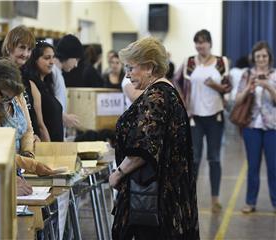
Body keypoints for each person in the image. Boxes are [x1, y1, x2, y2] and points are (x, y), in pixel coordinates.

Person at [109, 37, 199, 239]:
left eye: (131, 68)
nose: (127, 74)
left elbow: (144, 148)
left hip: (153, 196)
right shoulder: (165, 91)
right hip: (165, 193)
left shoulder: (155, 97)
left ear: (149, 67)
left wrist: (118, 173)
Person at [182, 29, 231, 212]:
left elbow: (227, 88)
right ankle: (189, 199)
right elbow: (178, 82)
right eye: (197, 42)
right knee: (194, 160)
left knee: (214, 159)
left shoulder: (221, 62)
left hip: (215, 116)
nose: (199, 46)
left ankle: (215, 200)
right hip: (195, 117)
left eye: (202, 42)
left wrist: (214, 85)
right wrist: (184, 104)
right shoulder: (189, 62)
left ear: (210, 43)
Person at [235, 41, 276, 213]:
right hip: (251, 126)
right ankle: (250, 202)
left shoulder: (274, 75)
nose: (261, 59)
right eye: (258, 56)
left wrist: (268, 86)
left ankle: (275, 202)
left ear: (269, 58)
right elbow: (237, 100)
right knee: (253, 166)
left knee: (273, 167)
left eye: (264, 56)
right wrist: (249, 88)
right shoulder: (247, 74)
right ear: (254, 58)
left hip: (272, 127)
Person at [1, 25, 50, 142]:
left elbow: (37, 121)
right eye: (22, 48)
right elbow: (1, 119)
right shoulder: (0, 76)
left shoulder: (26, 80)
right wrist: (26, 137)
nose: (26, 54)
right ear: (9, 47)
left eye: (29, 49)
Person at [23, 41, 64, 141]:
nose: (52, 62)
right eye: (47, 58)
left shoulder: (47, 85)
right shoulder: (32, 85)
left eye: (53, 57)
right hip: (47, 146)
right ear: (35, 60)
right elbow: (40, 125)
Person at [53, 34, 84, 128]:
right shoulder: (52, 73)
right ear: (68, 55)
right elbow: (45, 105)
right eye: (76, 59)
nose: (76, 65)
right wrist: (63, 117)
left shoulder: (57, 73)